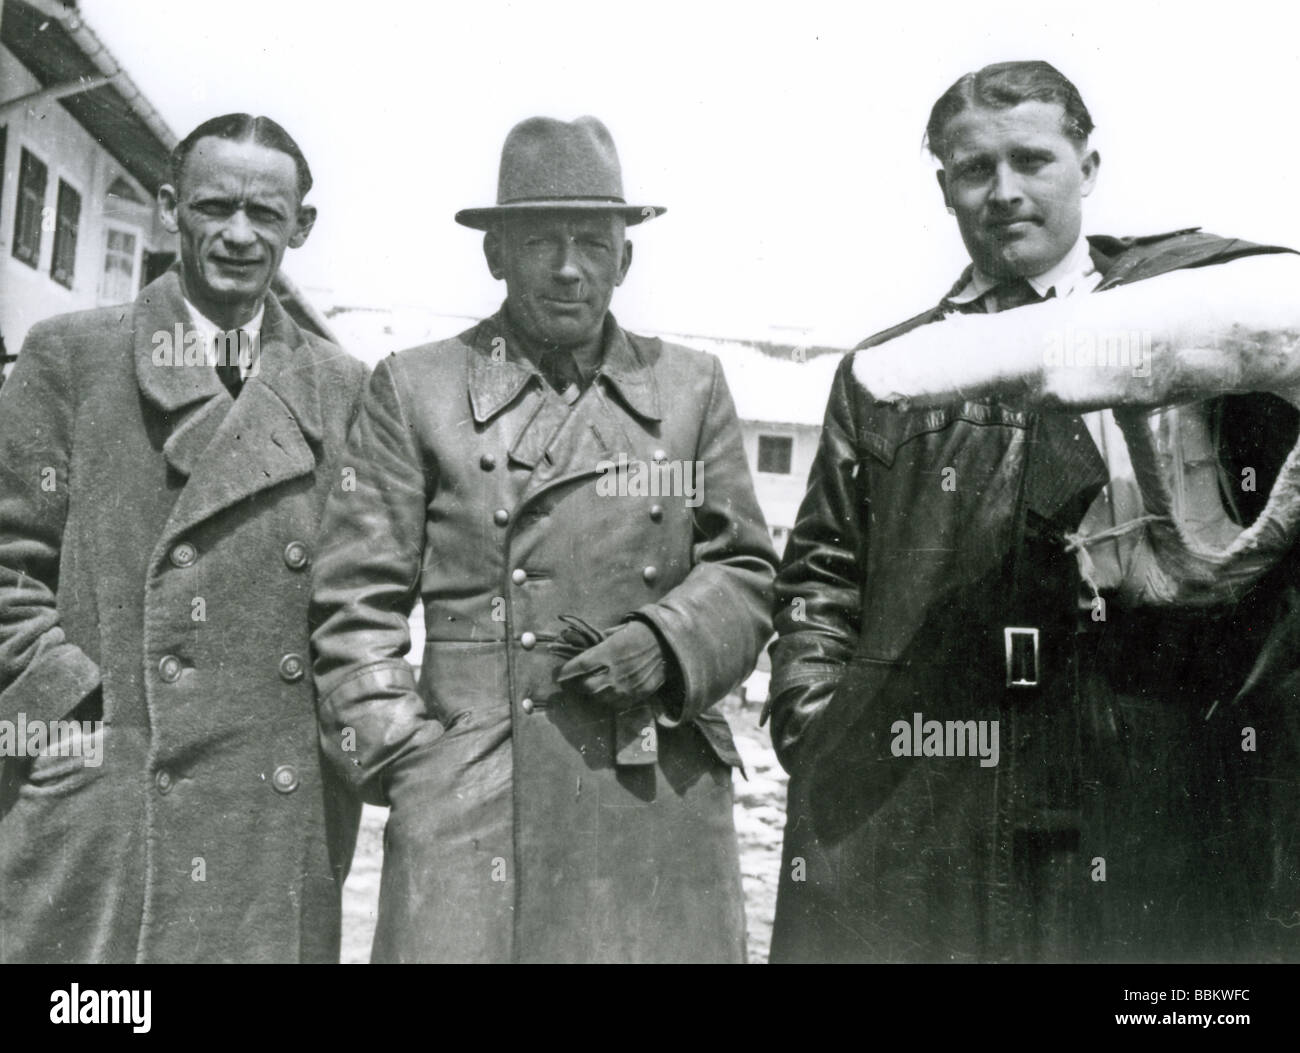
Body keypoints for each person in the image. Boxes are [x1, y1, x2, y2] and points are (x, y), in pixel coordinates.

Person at [766, 61, 1300, 962]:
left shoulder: (1194, 339)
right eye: (976, 170)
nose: (1004, 191)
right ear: (945, 187)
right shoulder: (891, 374)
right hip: (929, 786)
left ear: (1087, 166)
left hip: (1134, 781)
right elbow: (822, 569)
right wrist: (816, 722)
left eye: (1032, 160)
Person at [309, 115, 777, 963]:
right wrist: (409, 764)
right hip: (471, 797)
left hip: (649, 785)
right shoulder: (417, 389)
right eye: (540, 241)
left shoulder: (689, 389)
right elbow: (352, 606)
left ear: (625, 258)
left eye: (593, 243)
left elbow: (745, 570)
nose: (569, 268)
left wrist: (667, 641)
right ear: (496, 254)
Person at [0, 114, 368, 963]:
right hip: (111, 797)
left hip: (272, 812)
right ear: (170, 209)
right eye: (215, 206)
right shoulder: (73, 360)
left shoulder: (342, 387)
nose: (239, 235)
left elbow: (366, 589)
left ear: (300, 227)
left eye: (266, 215)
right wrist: (69, 714)